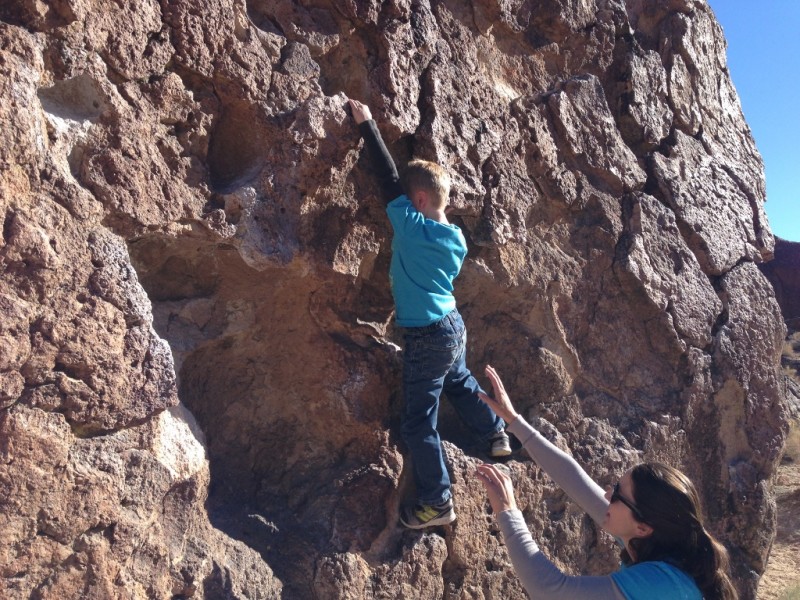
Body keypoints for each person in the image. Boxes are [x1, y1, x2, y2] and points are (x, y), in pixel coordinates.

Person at [348, 98, 511, 529]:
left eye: (407, 197)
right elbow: (400, 187)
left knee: (419, 421)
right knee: (459, 380)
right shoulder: (453, 237)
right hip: (452, 326)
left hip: (426, 335)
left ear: (417, 200)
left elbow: (385, 177)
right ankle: (495, 434)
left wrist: (367, 125)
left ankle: (437, 501)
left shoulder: (411, 225)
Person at [475, 365, 738, 599]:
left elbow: (549, 591)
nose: (606, 494)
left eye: (617, 495)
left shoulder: (660, 584)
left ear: (644, 527)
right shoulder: (654, 543)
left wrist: (509, 513)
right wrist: (515, 421)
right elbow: (576, 481)